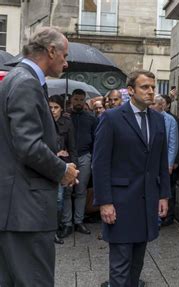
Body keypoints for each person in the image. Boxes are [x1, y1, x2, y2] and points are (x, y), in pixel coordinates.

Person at [0, 26, 79, 286]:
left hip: (16, 209)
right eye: (64, 56)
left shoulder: (18, 79)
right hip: (26, 211)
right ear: (51, 50)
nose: (66, 63)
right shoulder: (26, 83)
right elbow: (28, 146)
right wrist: (62, 171)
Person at [93, 70, 170, 286]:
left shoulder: (157, 119)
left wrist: (163, 195)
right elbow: (100, 164)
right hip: (120, 203)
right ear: (130, 90)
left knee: (137, 264)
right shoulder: (112, 118)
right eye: (145, 87)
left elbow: (160, 161)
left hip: (147, 203)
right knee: (120, 266)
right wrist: (105, 202)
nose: (151, 91)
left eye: (153, 87)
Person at [59, 88, 97, 238]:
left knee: (81, 191)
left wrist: (93, 157)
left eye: (81, 100)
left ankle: (79, 221)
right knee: (67, 191)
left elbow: (95, 139)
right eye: (76, 99)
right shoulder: (65, 117)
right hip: (68, 158)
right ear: (71, 100)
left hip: (85, 156)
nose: (79, 102)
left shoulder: (91, 118)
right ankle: (67, 223)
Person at [49, 95, 78, 245]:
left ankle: (55, 228)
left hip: (63, 165)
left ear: (61, 108)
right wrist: (56, 152)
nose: (53, 110)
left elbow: (72, 146)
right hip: (46, 164)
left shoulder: (67, 123)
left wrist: (74, 166)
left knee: (60, 198)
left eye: (56, 107)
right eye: (51, 107)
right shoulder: (43, 122)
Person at [162, 94, 179, 226]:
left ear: (168, 104)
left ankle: (169, 217)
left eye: (162, 103)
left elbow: (178, 142)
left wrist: (175, 161)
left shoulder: (173, 120)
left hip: (171, 164)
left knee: (169, 190)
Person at [151, 95, 178, 176]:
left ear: (161, 105)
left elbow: (172, 144)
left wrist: (169, 165)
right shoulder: (147, 117)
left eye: (153, 104)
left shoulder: (170, 120)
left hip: (162, 161)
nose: (150, 106)